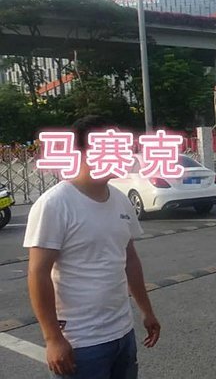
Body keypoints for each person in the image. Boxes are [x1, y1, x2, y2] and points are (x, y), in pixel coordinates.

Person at [24, 115, 161, 378]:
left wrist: (147, 311)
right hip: (81, 343)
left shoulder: (121, 201)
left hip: (123, 333)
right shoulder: (55, 204)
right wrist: (53, 338)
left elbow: (130, 260)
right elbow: (38, 273)